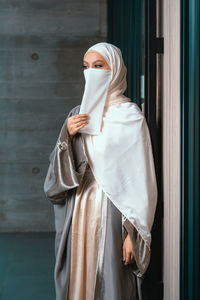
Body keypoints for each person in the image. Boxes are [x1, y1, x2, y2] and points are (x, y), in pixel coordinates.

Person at [44, 42, 158, 300]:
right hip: (79, 210)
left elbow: (141, 182)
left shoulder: (131, 117)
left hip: (112, 215)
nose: (91, 73)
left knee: (110, 279)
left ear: (115, 69)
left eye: (98, 66)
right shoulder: (78, 115)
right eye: (86, 67)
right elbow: (54, 179)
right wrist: (68, 135)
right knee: (80, 276)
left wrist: (132, 233)